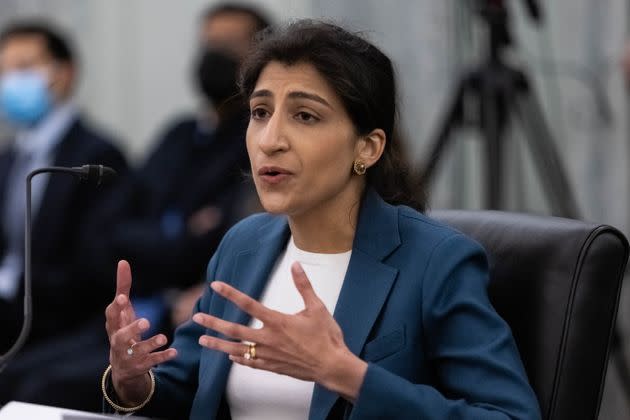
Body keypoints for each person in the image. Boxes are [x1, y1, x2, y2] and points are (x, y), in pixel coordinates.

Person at [102, 20, 542, 419]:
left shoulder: (436, 262)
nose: (270, 140)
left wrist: (346, 374)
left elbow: (510, 417)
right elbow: (190, 384)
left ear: (367, 148)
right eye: (260, 112)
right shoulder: (244, 244)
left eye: (305, 116)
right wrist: (134, 381)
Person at [97, 3, 270, 338]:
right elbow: (112, 228)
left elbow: (218, 241)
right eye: (208, 44)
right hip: (134, 306)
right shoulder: (178, 135)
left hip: (192, 318)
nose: (214, 55)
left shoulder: (260, 141)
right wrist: (180, 237)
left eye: (229, 44)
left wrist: (166, 242)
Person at [0, 20, 127, 406]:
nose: (10, 80)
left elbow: (92, 264)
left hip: (61, 320)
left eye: (24, 67)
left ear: (64, 72)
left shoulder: (97, 156)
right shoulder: (8, 157)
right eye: (5, 70)